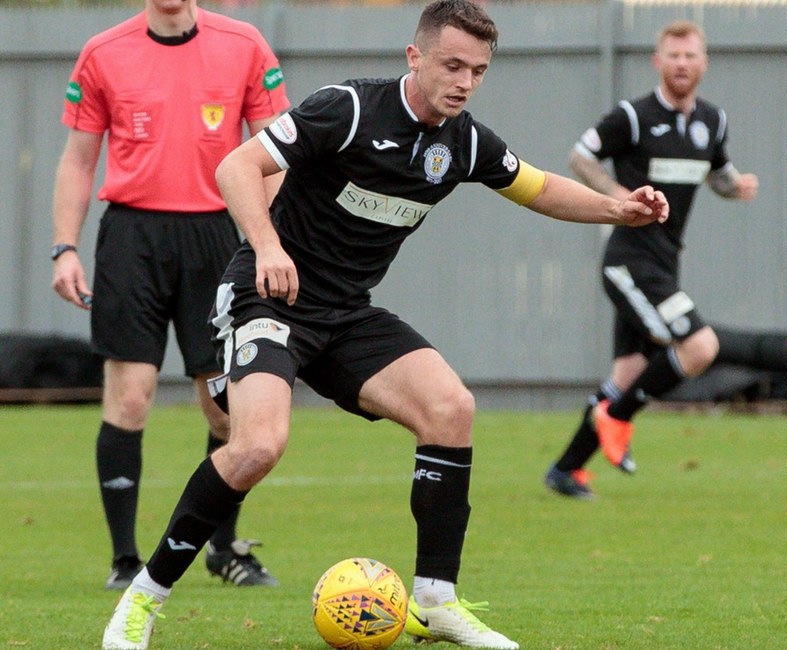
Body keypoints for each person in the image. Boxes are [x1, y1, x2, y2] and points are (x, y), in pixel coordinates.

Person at [99, 1, 669, 648]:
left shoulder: (465, 142)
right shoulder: (348, 109)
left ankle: (436, 602)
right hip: (269, 298)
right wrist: (267, 246)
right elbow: (235, 166)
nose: (464, 81)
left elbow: (538, 187)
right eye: (452, 64)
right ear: (414, 56)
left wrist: (617, 210)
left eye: (478, 70)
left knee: (451, 408)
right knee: (257, 445)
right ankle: (142, 601)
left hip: (346, 313)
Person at [53, 0, 289, 591]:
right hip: (132, 239)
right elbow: (79, 161)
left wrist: (275, 242)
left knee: (223, 405)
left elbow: (276, 154)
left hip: (214, 238)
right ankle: (126, 561)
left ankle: (220, 546)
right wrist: (65, 247)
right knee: (131, 398)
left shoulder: (245, 45)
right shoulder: (103, 52)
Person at [543, 21, 759, 499]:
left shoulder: (712, 122)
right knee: (698, 346)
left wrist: (736, 185)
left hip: (665, 263)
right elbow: (581, 156)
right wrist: (618, 196)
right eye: (673, 55)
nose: (682, 63)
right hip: (628, 260)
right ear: (658, 62)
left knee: (625, 375)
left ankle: (565, 469)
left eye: (691, 55)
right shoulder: (633, 116)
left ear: (704, 62)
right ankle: (616, 418)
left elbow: (718, 176)